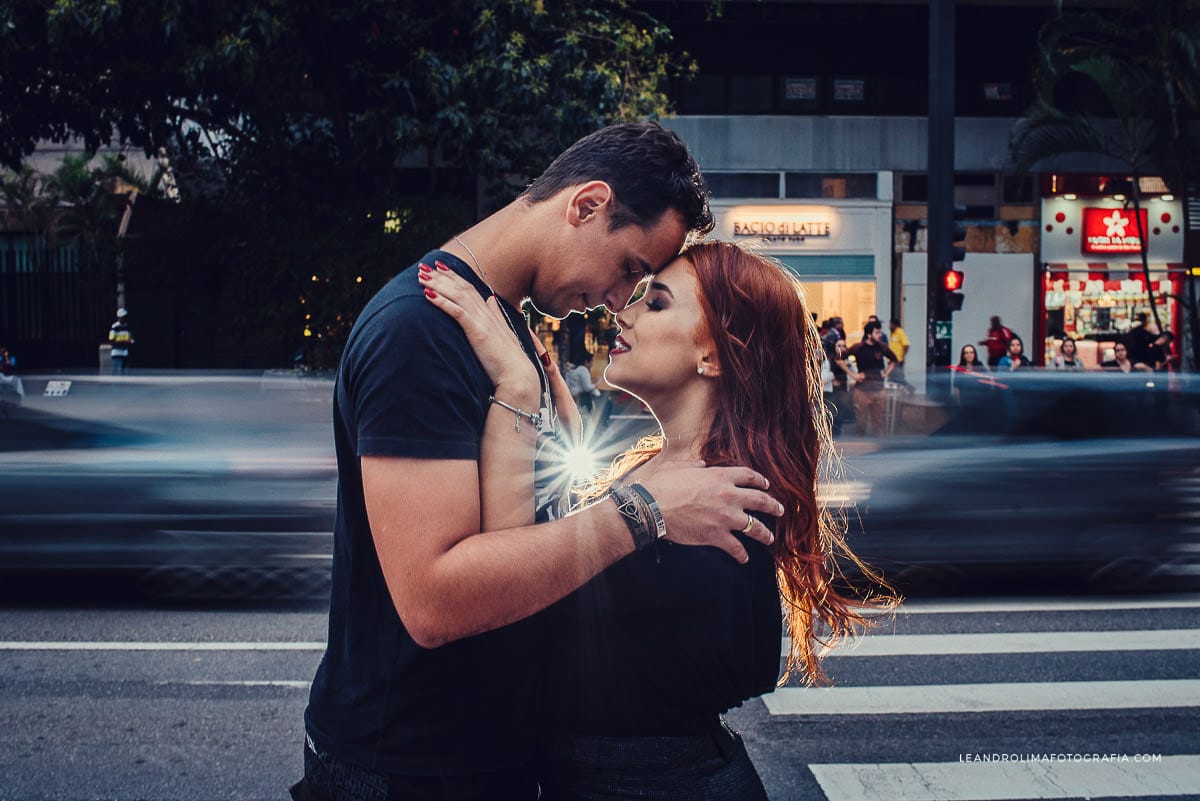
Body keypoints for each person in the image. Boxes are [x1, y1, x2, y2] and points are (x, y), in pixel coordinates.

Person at [297, 122, 782, 801]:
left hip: (483, 756)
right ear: (586, 205)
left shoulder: (509, 333)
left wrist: (531, 390)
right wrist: (645, 512)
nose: (619, 301)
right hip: (410, 764)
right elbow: (435, 600)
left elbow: (525, 535)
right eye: (631, 269)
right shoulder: (422, 330)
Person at [420, 240, 892, 800]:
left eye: (657, 303)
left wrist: (517, 390)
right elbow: (594, 555)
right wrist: (557, 417)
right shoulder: (676, 477)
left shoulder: (714, 504)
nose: (624, 312)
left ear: (714, 355)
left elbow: (508, 593)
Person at [847, 319, 900, 436]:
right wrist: (853, 375)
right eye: (877, 333)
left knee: (879, 422)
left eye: (880, 332)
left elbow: (894, 359)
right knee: (861, 422)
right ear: (869, 334)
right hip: (862, 390)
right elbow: (839, 358)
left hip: (879, 389)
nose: (880, 335)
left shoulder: (882, 347)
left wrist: (886, 373)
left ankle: (878, 447)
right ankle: (860, 447)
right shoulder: (858, 347)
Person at [108, 308, 133, 374]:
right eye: (123, 317)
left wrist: (130, 341)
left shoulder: (127, 327)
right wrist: (124, 342)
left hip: (125, 354)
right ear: (119, 317)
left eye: (125, 316)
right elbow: (111, 341)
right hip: (117, 354)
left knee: (125, 374)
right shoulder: (114, 327)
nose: (124, 318)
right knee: (116, 373)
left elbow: (129, 338)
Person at [888, 318, 910, 384]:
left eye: (890, 324)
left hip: (897, 359)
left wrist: (903, 357)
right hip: (891, 359)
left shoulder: (900, 332)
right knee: (892, 377)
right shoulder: (893, 333)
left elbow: (906, 345)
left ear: (894, 324)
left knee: (898, 377)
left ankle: (907, 388)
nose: (888, 326)